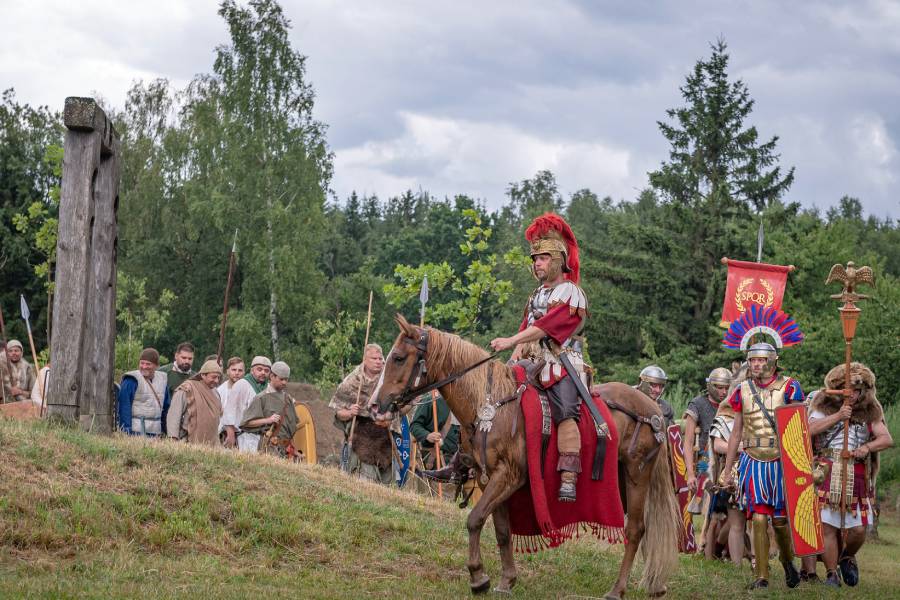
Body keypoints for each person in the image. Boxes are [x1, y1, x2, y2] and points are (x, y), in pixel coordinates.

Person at [479, 213, 588, 502]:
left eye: (541, 257)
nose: (536, 263)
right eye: (534, 258)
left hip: (562, 361)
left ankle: (568, 473)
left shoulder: (572, 293)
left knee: (565, 408)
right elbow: (526, 328)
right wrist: (510, 360)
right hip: (529, 360)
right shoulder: (536, 294)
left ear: (557, 260)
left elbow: (547, 327)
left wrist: (512, 341)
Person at [720, 342, 804, 589]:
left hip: (780, 460)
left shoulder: (789, 387)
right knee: (757, 518)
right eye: (752, 360)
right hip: (752, 459)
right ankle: (762, 576)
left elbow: (797, 428)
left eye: (761, 360)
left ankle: (788, 563)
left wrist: (802, 467)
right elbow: (736, 433)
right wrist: (727, 471)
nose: (756, 364)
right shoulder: (742, 390)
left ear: (773, 360)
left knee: (779, 521)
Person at [804, 362, 893, 587]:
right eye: (848, 388)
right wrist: (839, 416)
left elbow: (886, 438)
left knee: (858, 529)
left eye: (857, 389)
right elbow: (808, 430)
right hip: (826, 469)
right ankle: (832, 574)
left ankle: (846, 556)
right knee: (827, 525)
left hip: (856, 471)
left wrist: (867, 448)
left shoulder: (870, 408)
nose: (852, 394)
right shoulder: (822, 403)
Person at [330, 343, 395, 485]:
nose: (378, 361)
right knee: (364, 477)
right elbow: (338, 412)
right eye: (374, 358)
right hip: (361, 433)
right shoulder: (352, 381)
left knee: (387, 479)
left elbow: (400, 405)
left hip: (385, 433)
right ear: (365, 359)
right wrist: (350, 412)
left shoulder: (389, 378)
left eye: (380, 358)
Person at [683, 367, 732, 555]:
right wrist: (690, 472)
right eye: (719, 387)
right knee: (709, 493)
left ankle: (721, 546)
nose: (723, 392)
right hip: (704, 460)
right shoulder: (698, 404)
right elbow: (687, 442)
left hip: (728, 459)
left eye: (726, 387)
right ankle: (704, 540)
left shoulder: (732, 405)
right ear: (710, 386)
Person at [707, 397, 749, 566]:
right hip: (734, 472)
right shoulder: (725, 417)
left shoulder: (760, 416)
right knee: (735, 521)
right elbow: (718, 446)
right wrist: (741, 447)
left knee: (757, 520)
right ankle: (735, 564)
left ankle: (757, 561)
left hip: (758, 468)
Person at [240, 361, 300, 459]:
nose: (284, 382)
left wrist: (294, 449)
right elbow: (246, 423)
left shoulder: (288, 399)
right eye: (281, 379)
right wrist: (268, 420)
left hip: (286, 450)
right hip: (269, 448)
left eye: (286, 379)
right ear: (272, 376)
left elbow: (290, 427)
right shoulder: (261, 398)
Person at [166, 359, 223, 446]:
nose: (216, 381)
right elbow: (174, 416)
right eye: (213, 377)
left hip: (211, 444)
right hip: (188, 442)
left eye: (218, 378)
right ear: (203, 375)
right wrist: (173, 439)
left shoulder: (215, 392)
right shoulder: (187, 389)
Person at [116, 347, 170, 437]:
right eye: (142, 363)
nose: (144, 367)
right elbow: (124, 407)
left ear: (156, 366)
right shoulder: (131, 380)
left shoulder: (162, 380)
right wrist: (126, 432)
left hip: (156, 433)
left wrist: (167, 431)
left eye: (148, 364)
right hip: (135, 432)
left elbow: (166, 408)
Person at [221, 356, 271, 452]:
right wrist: (230, 434)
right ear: (252, 370)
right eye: (259, 369)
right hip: (243, 436)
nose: (263, 373)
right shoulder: (242, 384)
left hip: (262, 437)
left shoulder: (269, 388)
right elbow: (229, 410)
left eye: (266, 370)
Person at [410, 393, 460, 470]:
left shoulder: (464, 402)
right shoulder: (430, 400)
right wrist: (427, 435)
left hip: (462, 459)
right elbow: (415, 426)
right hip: (438, 457)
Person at [217, 357, 245, 428]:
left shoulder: (248, 389)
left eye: (240, 370)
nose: (237, 373)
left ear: (244, 372)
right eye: (234, 370)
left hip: (243, 430)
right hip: (223, 431)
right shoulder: (220, 391)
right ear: (227, 371)